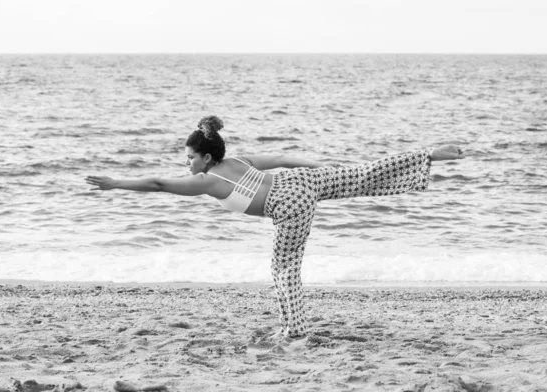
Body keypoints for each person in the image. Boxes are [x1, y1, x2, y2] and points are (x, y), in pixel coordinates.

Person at [86, 116, 465, 338]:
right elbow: (284, 157)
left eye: (189, 158)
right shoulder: (236, 159)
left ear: (205, 157)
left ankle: (295, 330)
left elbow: (159, 184)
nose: (186, 165)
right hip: (299, 182)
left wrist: (116, 183)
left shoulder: (207, 182)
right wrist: (327, 170)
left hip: (287, 203)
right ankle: (427, 155)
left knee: (284, 269)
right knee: (362, 176)